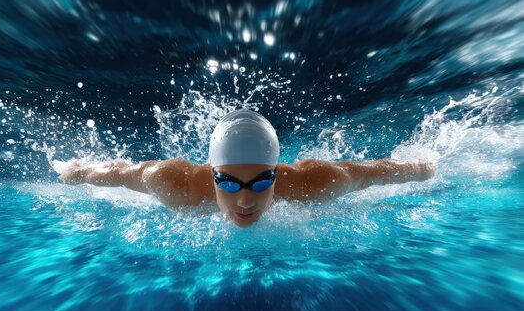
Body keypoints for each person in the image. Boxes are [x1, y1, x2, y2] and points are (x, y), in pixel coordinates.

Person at [60, 109, 435, 227]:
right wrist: (78, 172)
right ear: (210, 174)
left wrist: (420, 168)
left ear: (277, 174)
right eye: (228, 183)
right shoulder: (175, 184)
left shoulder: (312, 183)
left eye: (260, 183)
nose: (244, 200)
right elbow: (120, 172)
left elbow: (375, 171)